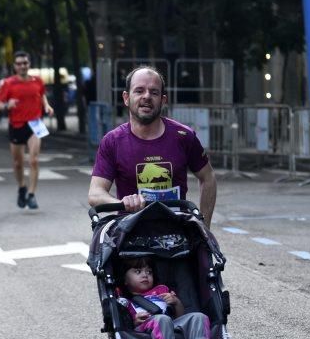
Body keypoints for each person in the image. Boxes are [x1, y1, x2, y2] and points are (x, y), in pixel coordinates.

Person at [87, 66, 217, 229]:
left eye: (154, 92)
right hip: (130, 234)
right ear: (126, 98)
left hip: (178, 235)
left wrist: (204, 228)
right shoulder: (112, 141)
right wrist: (122, 203)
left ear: (163, 101)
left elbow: (208, 177)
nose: (146, 96)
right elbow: (95, 193)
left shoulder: (184, 136)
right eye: (139, 91)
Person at [0, 51, 55, 209]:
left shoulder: (37, 81)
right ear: (14, 66)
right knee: (18, 163)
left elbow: (41, 95)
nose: (22, 66)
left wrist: (47, 106)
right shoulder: (8, 83)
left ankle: (31, 194)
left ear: (29, 64)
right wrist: (7, 105)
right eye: (19, 63)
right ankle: (22, 186)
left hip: (35, 124)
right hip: (16, 125)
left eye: (25, 63)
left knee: (34, 160)